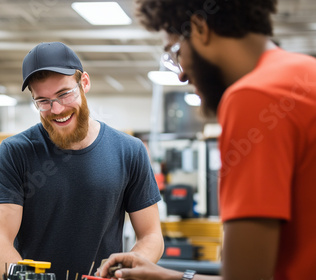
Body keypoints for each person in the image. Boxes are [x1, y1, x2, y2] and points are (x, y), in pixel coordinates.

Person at [98, 1, 316, 280]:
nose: (181, 73)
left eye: (176, 51)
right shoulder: (304, 73)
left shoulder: (254, 97)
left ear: (200, 28)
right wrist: (170, 277)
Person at [0, 42, 164, 280]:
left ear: (84, 83)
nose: (57, 109)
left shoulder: (128, 151)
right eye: (43, 101)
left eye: (64, 94)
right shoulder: (15, 152)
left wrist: (120, 274)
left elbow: (151, 236)